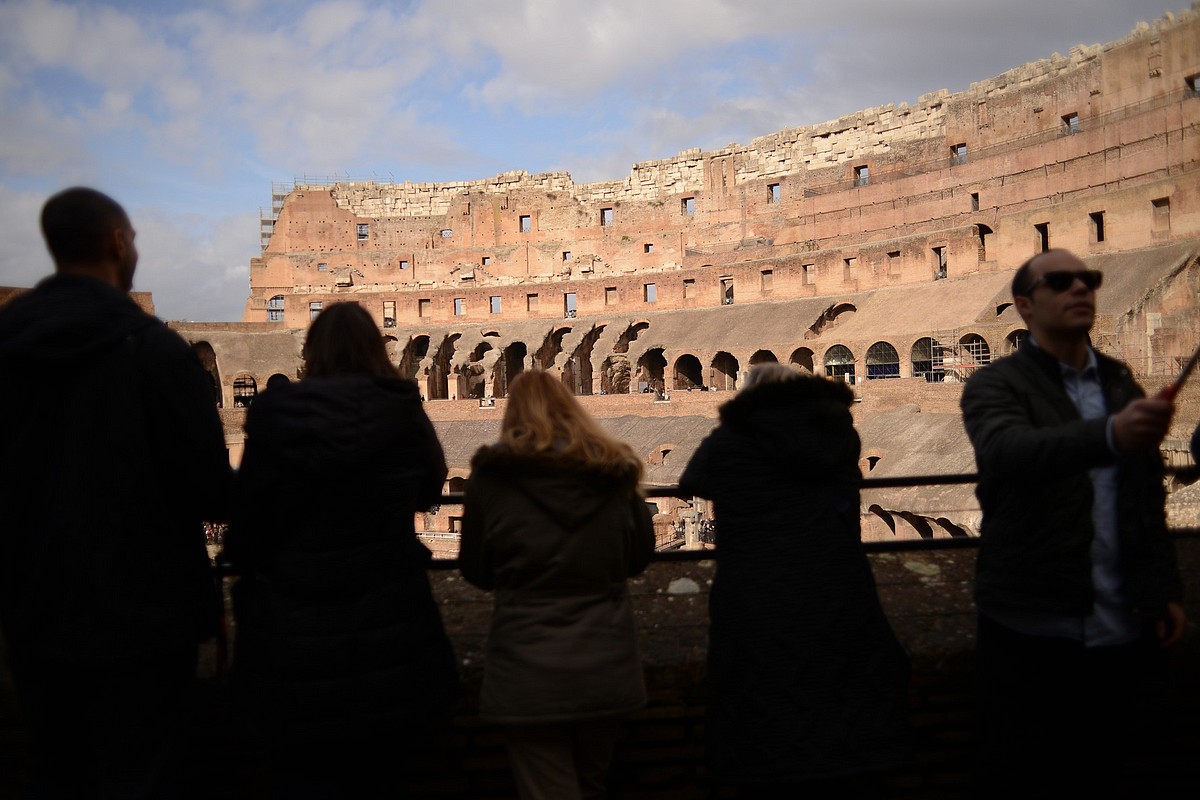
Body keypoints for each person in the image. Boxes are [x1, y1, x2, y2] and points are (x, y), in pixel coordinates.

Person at [0, 187, 233, 796]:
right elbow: (210, 487)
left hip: (34, 608)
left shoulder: (7, 344)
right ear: (118, 243)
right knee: (145, 774)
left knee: (53, 770)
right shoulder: (154, 350)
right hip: (145, 617)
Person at [960, 249, 1186, 797]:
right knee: (1024, 771)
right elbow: (1007, 452)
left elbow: (1139, 499)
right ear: (1024, 305)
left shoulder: (1117, 383)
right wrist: (1109, 435)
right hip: (1029, 620)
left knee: (1111, 768)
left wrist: (1162, 589)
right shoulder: (996, 385)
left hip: (1119, 617)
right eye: (1060, 281)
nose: (1080, 288)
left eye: (1090, 279)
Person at [225, 301, 457, 797]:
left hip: (293, 629)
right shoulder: (402, 408)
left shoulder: (274, 416)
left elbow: (249, 521)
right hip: (390, 616)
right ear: (376, 349)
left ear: (311, 354)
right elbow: (429, 490)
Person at [677, 363, 912, 794]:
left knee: (763, 700)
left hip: (757, 589)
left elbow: (692, 481)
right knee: (843, 689)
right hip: (834, 583)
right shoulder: (837, 432)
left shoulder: (731, 440)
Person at [459, 370, 655, 800]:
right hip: (605, 660)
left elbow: (475, 569)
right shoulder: (614, 473)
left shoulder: (491, 480)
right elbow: (639, 555)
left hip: (527, 667)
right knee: (591, 783)